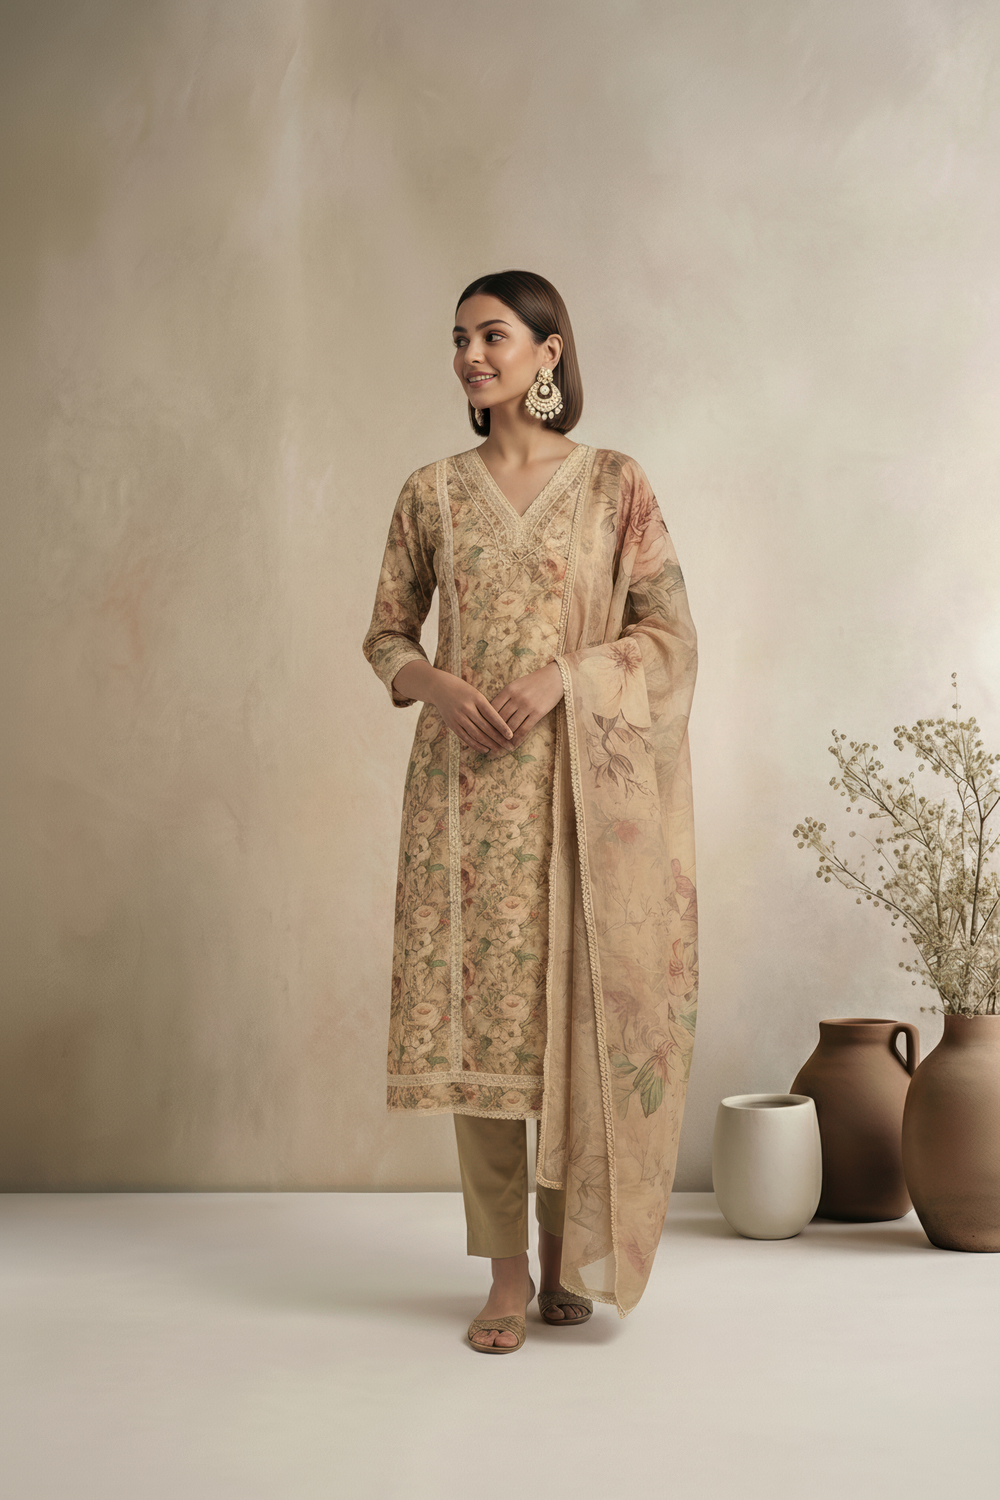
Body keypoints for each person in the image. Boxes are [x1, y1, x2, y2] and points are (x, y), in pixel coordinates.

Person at [362, 270, 699, 1353]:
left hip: (581, 803)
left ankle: (566, 1259)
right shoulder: (430, 493)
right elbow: (386, 635)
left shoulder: (615, 486)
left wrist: (566, 676)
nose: (470, 355)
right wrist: (435, 686)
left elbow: (669, 636)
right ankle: (505, 1275)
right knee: (487, 1036)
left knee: (574, 1026)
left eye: (493, 335)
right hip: (464, 803)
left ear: (548, 352)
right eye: (459, 338)